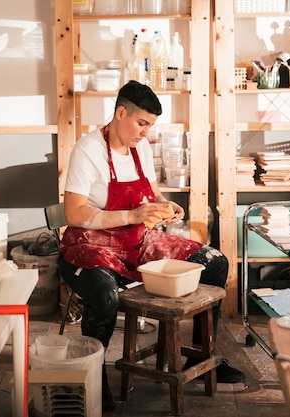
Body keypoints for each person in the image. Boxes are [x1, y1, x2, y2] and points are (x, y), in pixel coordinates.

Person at [58, 80, 245, 412]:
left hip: (138, 241)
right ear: (120, 113)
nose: (145, 132)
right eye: (141, 123)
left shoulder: (141, 147)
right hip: (90, 245)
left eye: (150, 125)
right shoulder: (87, 151)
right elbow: (74, 213)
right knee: (105, 294)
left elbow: (152, 194)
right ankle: (94, 377)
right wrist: (131, 214)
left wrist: (166, 205)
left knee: (214, 261)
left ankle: (204, 356)